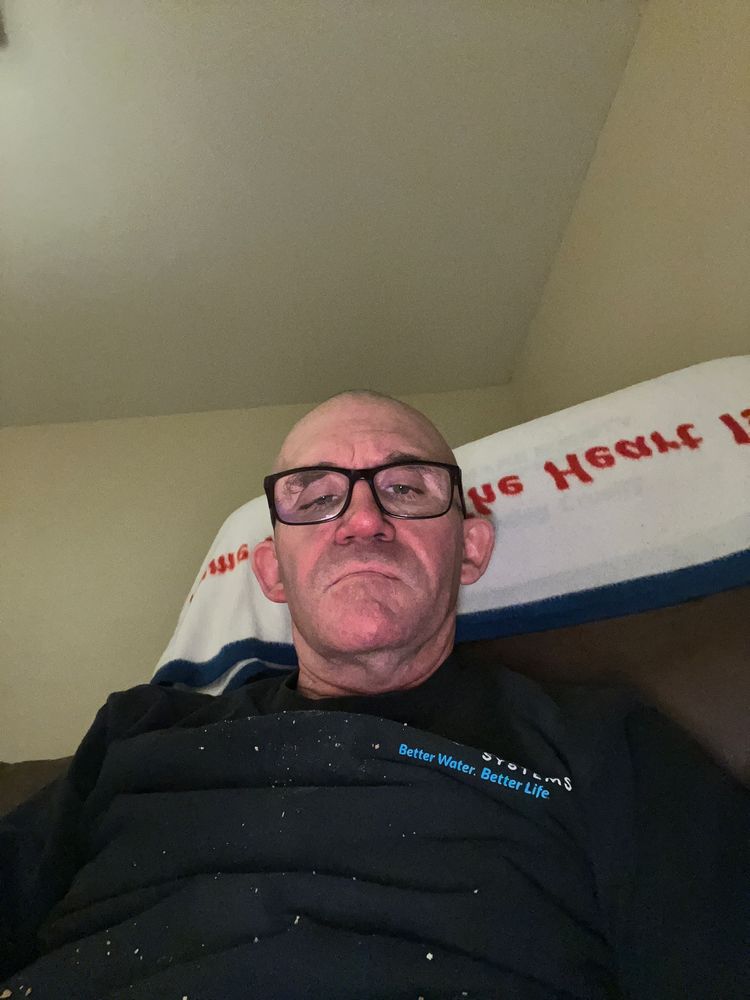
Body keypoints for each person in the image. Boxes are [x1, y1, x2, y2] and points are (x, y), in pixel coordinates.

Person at [1, 390, 747, 999]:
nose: (363, 522)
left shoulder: (600, 741)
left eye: (405, 489)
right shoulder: (139, 730)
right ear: (271, 573)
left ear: (471, 549)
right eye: (316, 497)